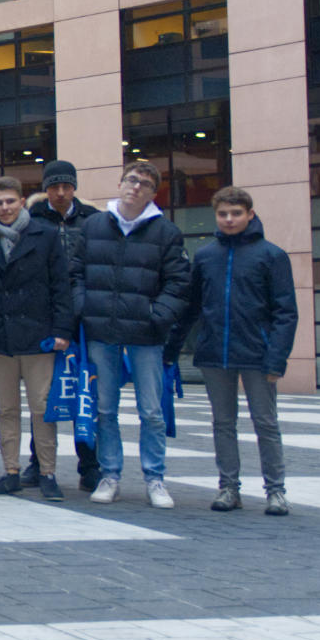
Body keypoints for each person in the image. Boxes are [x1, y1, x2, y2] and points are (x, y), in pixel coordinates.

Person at [169, 187, 297, 516]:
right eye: (223, 214)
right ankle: (228, 488)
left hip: (258, 353)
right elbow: (192, 307)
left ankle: (276, 491)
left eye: (236, 213)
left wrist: (277, 358)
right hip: (215, 353)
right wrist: (174, 347)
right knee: (222, 423)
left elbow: (286, 312)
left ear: (250, 214)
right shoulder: (207, 256)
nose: (229, 219)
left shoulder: (272, 256)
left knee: (265, 423)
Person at [80, 161, 193, 509]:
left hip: (146, 335)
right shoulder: (94, 225)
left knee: (152, 411)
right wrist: (84, 308)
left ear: (152, 193)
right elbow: (74, 273)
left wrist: (157, 316)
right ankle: (110, 475)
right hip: (103, 330)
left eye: (144, 183)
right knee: (105, 409)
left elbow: (179, 282)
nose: (136, 187)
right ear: (120, 183)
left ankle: (154, 478)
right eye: (131, 180)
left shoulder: (166, 232)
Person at [0, 177, 76, 501]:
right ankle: (10, 471)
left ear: (21, 201)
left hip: (37, 336)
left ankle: (47, 472)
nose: (5, 208)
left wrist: (61, 331)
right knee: (7, 409)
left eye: (10, 202)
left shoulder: (45, 236)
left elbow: (61, 286)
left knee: (42, 408)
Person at [29, 160, 101, 492]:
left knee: (86, 392)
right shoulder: (32, 219)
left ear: (74, 187)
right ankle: (37, 462)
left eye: (66, 186)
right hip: (44, 317)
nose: (60, 193)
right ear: (45, 188)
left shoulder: (93, 220)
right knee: (43, 394)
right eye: (54, 186)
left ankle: (90, 465)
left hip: (85, 319)